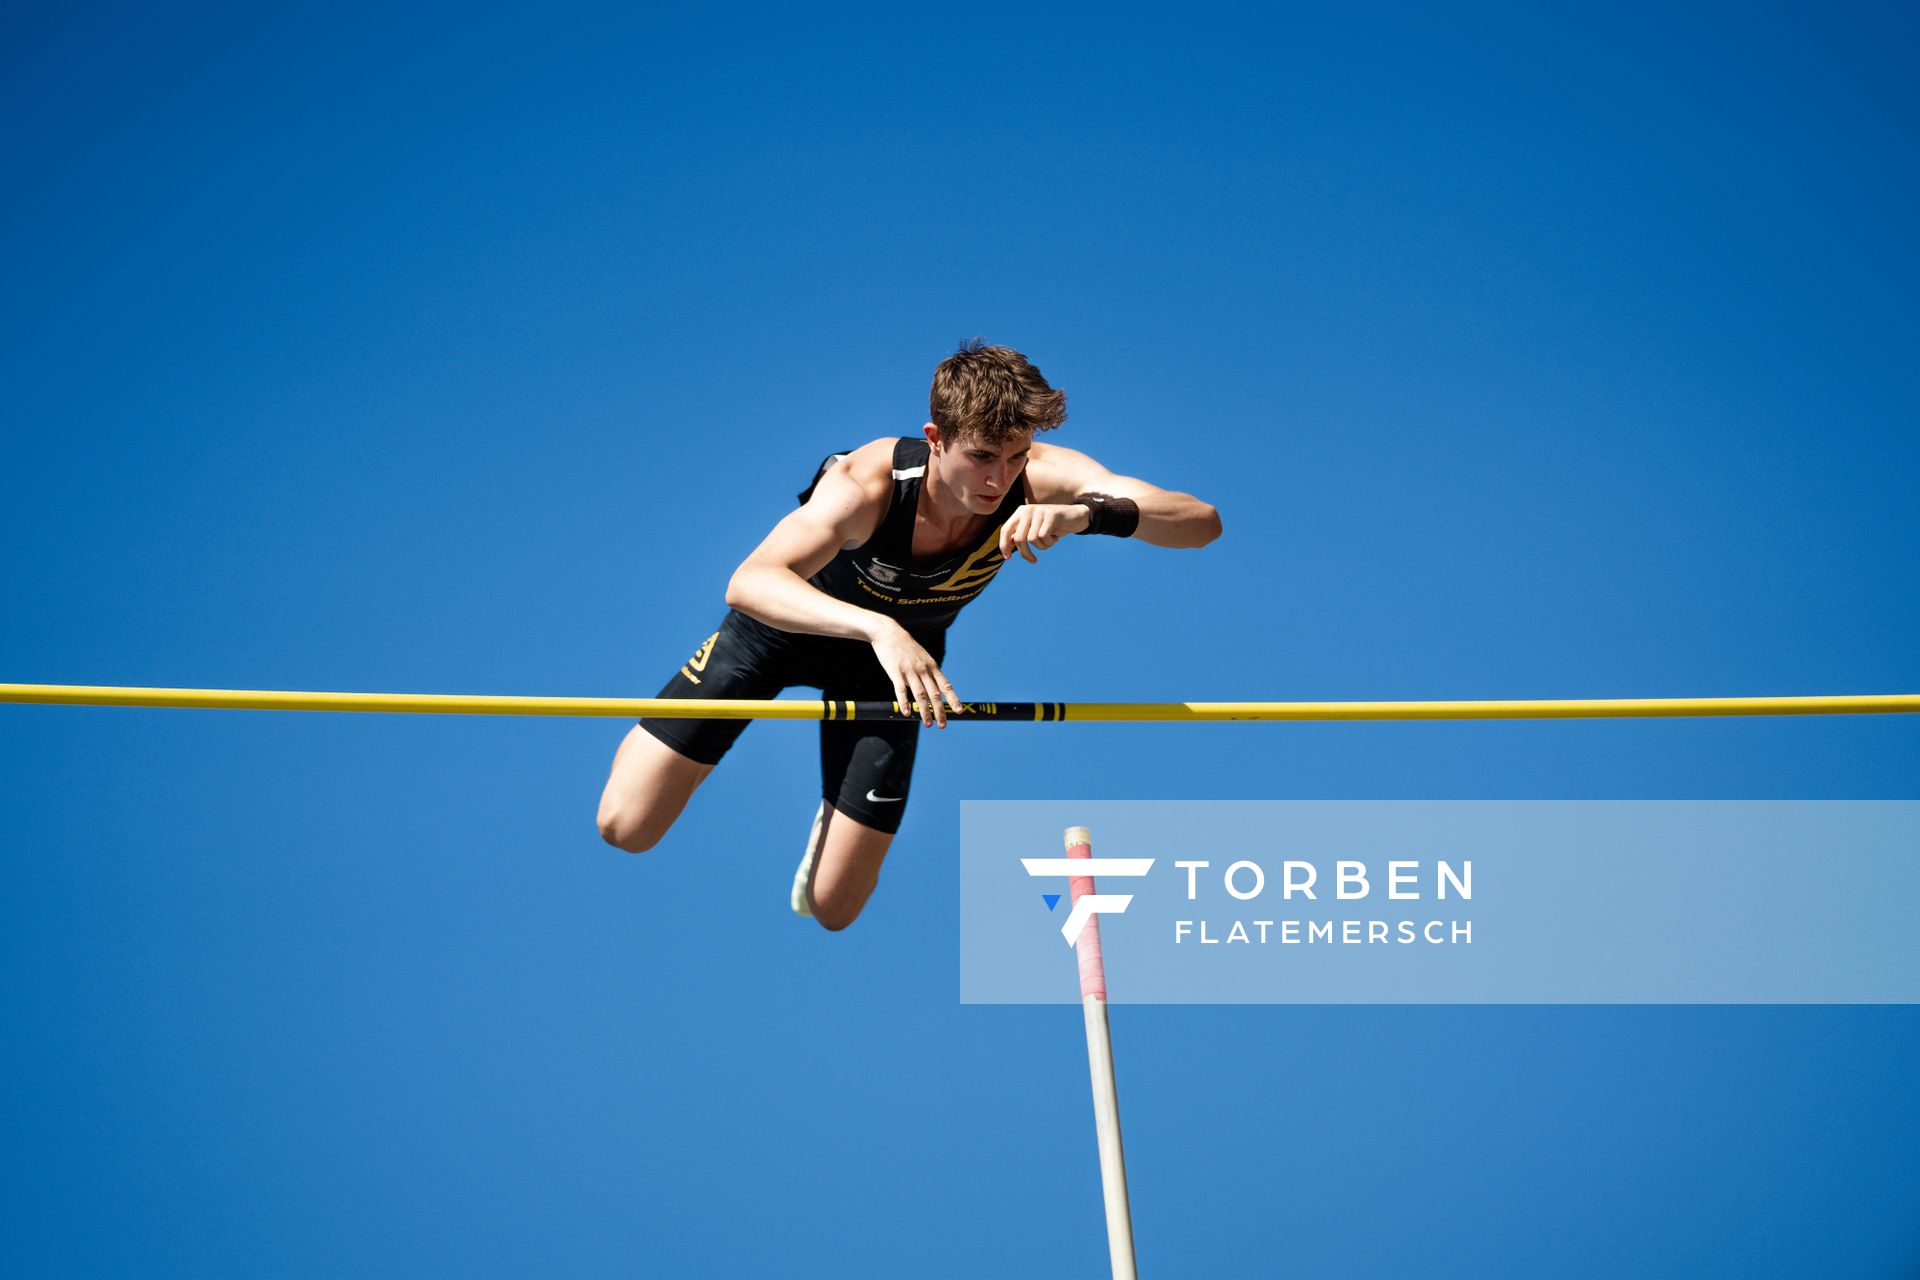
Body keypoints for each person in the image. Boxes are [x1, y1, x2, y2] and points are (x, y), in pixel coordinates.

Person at [596, 341, 1222, 929]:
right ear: (936, 439)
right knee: (626, 827)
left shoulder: (1045, 477)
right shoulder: (866, 485)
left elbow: (1200, 522)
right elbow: (750, 581)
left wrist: (1088, 515)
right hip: (779, 635)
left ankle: (828, 820)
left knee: (834, 906)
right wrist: (877, 626)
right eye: (981, 456)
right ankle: (695, 753)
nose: (997, 480)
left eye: (1014, 457)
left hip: (891, 668)